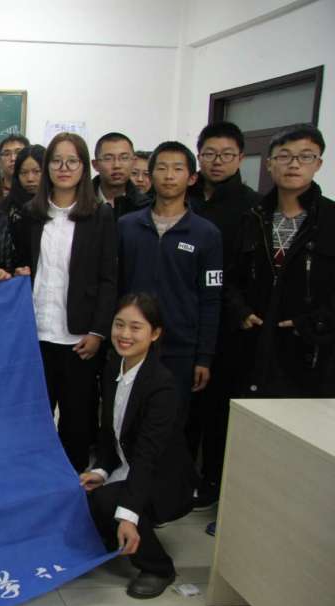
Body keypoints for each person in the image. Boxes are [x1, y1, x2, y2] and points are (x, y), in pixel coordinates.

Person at [79, 294, 197, 600]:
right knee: (85, 492)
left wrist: (128, 514)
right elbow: (109, 433)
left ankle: (158, 567)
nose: (124, 334)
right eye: (119, 325)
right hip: (129, 466)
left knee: (109, 502)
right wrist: (101, 471)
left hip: (163, 479)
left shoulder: (162, 385)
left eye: (135, 327)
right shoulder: (113, 367)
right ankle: (115, 537)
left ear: (155, 334)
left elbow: (148, 456)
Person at [12, 132, 117, 472]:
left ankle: (71, 486)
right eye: (56, 161)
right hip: (36, 333)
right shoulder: (31, 213)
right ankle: (35, 482)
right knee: (34, 418)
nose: (64, 167)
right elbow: (21, 264)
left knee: (76, 421)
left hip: (79, 338)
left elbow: (108, 279)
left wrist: (98, 332)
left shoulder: (99, 215)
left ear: (84, 167)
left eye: (72, 161)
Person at [225, 123, 333, 398]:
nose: (294, 164)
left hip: (310, 353)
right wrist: (239, 311)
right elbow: (230, 277)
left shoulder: (330, 220)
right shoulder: (252, 217)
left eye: (305, 156)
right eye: (284, 156)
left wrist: (312, 324)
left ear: (318, 164)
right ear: (269, 164)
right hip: (253, 346)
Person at [185, 121, 260, 512]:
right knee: (182, 408)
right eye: (210, 153)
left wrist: (238, 309)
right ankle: (181, 477)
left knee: (216, 406)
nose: (217, 161)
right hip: (183, 315)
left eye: (226, 154)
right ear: (199, 155)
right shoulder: (186, 197)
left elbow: (243, 271)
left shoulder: (252, 207)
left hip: (227, 322)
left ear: (240, 158)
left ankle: (212, 480)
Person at [118, 141, 222, 409]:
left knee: (171, 422)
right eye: (162, 168)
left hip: (180, 349)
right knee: (124, 419)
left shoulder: (206, 233)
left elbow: (211, 299)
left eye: (177, 169)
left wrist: (204, 356)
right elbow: (115, 285)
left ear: (192, 178)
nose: (169, 175)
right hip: (130, 343)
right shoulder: (127, 226)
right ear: (150, 175)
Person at [93, 132, 151, 220]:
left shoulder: (147, 207)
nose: (117, 165)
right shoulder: (78, 202)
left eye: (124, 158)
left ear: (134, 162)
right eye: (108, 158)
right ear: (95, 165)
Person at [0, 144, 45, 219]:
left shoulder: (58, 206)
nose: (30, 179)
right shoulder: (6, 208)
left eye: (37, 171)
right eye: (24, 172)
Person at [0, 134, 30, 199]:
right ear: (0, 161)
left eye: (18, 153)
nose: (13, 158)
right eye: (7, 154)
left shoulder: (38, 191)